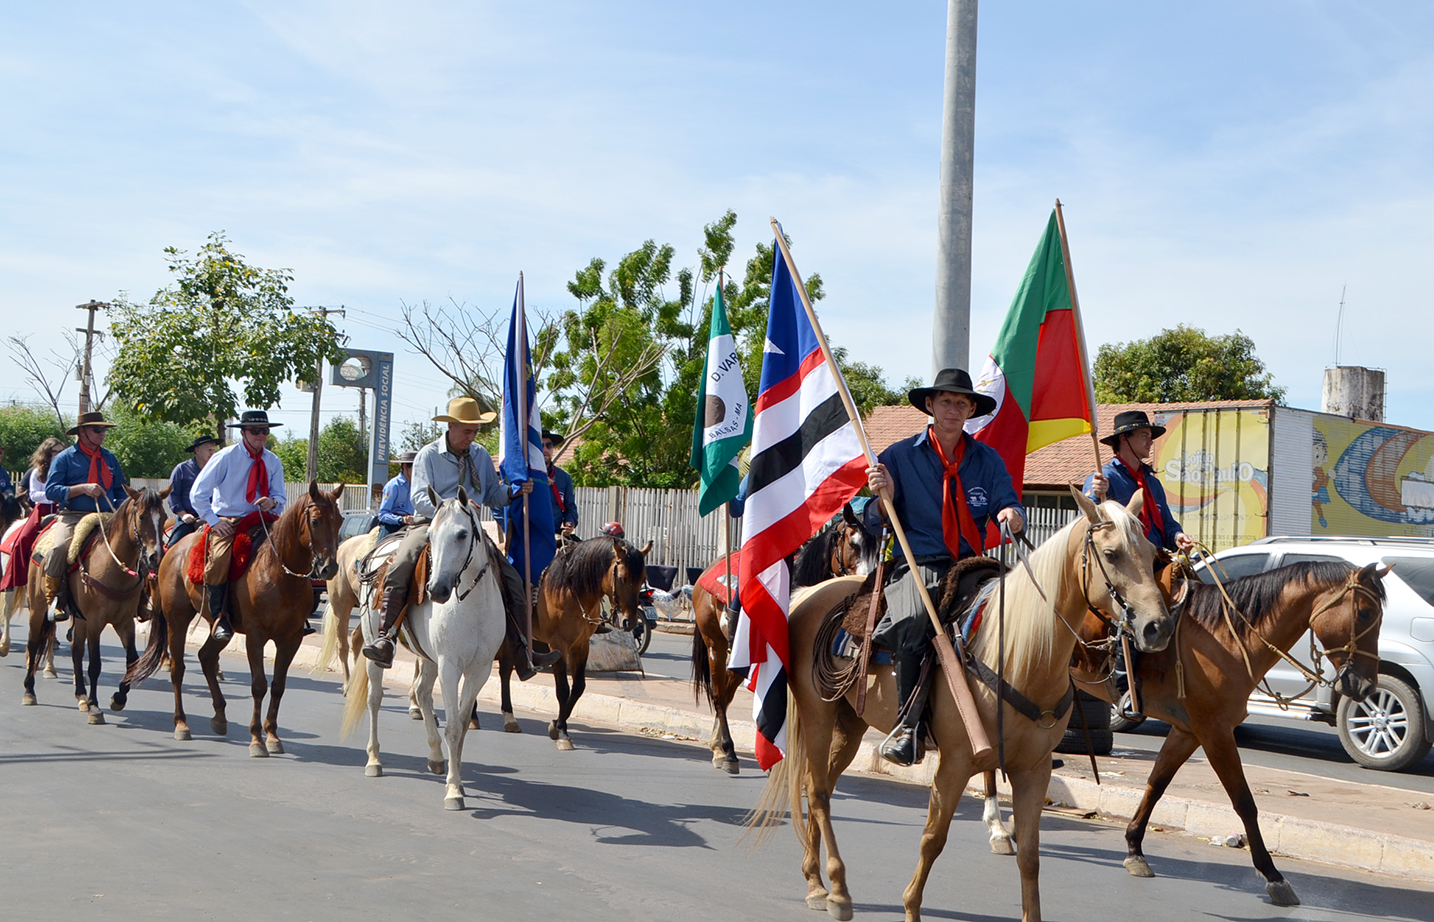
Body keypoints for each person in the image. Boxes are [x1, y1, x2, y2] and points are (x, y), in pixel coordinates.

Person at [864, 368, 1026, 766]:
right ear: (930, 406)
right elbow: (870, 517)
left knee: (1021, 613)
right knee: (917, 615)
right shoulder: (899, 456)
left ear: (971, 409)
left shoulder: (986, 459)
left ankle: (1021, 728)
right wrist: (881, 497)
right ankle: (907, 727)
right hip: (919, 560)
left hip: (972, 563)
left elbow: (1006, 499)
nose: (954, 409)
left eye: (962, 403)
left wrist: (1011, 512)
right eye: (946, 401)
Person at [360, 396, 561, 680]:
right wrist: (453, 508)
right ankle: (386, 637)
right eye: (467, 430)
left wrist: (515, 491)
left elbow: (492, 493)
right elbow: (419, 498)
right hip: (433, 525)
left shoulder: (479, 455)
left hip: (471, 532)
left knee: (512, 578)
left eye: (476, 431)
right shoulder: (428, 455)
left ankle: (523, 651)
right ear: (451, 426)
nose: (472, 436)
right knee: (402, 563)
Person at [189, 411, 287, 643]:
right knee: (220, 559)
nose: (261, 435)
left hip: (262, 519)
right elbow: (197, 494)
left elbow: (280, 497)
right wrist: (214, 522)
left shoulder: (273, 461)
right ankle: (219, 617)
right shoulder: (225, 457)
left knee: (288, 551)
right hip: (229, 520)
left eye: (265, 430)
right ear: (243, 433)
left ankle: (293, 614)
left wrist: (272, 502)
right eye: (255, 431)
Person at [41, 412, 129, 622]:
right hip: (73, 515)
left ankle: (140, 599)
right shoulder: (65, 458)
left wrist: (122, 510)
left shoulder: (109, 458)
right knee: (59, 548)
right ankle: (55, 598)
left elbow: (120, 490)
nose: (102, 434)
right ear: (82, 432)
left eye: (104, 430)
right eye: (97, 430)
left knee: (134, 546)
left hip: (107, 516)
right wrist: (81, 489)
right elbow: (51, 491)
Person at [1084, 410, 1193, 554]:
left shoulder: (1152, 483)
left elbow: (1166, 522)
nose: (1150, 441)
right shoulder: (1104, 479)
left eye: (1150, 436)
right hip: (1126, 563)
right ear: (1124, 438)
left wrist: (1176, 536)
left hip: (1157, 558)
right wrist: (1097, 495)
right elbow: (1088, 519)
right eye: (1144, 436)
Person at [166, 434, 219, 549]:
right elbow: (173, 495)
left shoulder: (217, 469)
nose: (212, 453)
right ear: (197, 450)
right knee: (173, 546)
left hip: (214, 517)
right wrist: (183, 514)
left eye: (214, 450)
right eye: (209, 450)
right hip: (189, 518)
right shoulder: (181, 469)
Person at [541, 430, 578, 539]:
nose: (545, 449)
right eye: (541, 445)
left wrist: (569, 522)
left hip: (555, 533)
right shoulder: (525, 475)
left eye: (549, 445)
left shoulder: (564, 477)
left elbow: (570, 507)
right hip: (530, 535)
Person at [376, 450, 418, 536]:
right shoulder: (393, 486)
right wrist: (401, 519)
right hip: (392, 526)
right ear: (405, 467)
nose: (419, 472)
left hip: (415, 524)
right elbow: (383, 514)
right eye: (416, 468)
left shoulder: (419, 485)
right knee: (382, 546)